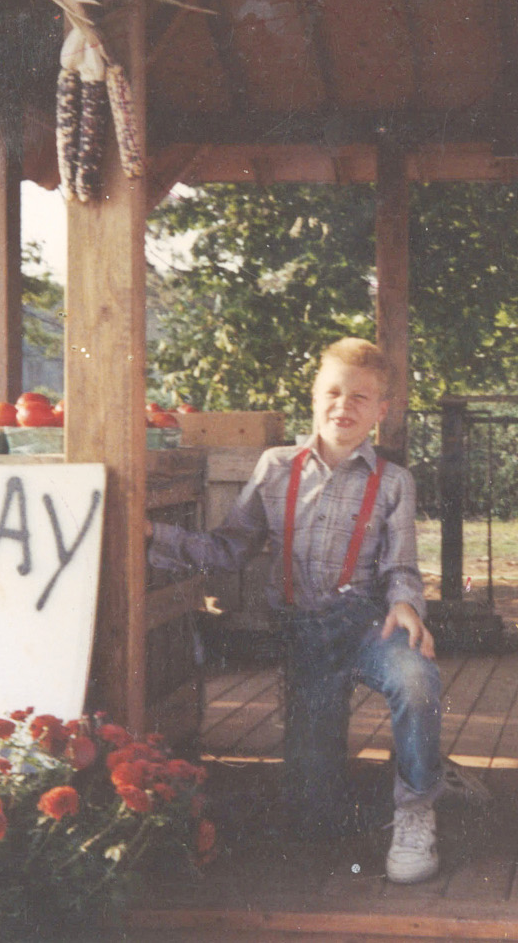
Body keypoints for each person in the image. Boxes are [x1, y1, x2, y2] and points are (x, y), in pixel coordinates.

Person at [146, 337, 444, 885]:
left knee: (417, 677)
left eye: (361, 398)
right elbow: (228, 547)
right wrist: (150, 535)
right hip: (303, 635)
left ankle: (416, 807)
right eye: (332, 392)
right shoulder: (276, 467)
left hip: (366, 625)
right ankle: (359, 794)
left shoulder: (394, 482)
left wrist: (405, 605)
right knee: (311, 814)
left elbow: (401, 568)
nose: (343, 406)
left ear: (381, 411)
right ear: (313, 397)